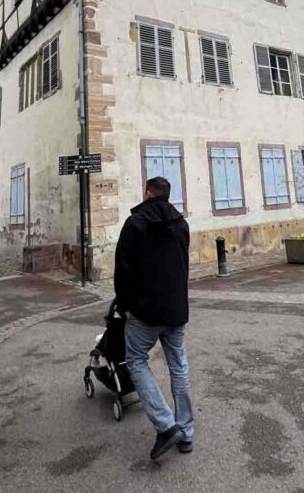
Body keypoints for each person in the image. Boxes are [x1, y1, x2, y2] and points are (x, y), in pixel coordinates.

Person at [114, 176, 193, 461]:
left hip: (144, 312)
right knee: (179, 366)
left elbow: (122, 269)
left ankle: (166, 425)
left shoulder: (134, 224)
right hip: (175, 310)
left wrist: (125, 306)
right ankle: (185, 432)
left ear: (148, 193)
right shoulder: (181, 224)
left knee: (135, 360)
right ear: (168, 195)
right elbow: (183, 265)